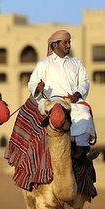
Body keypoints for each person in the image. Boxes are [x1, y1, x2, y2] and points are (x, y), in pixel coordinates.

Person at [27, 29, 99, 162]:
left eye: (69, 42)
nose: (68, 45)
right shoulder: (44, 64)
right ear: (55, 45)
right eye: (65, 42)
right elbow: (31, 83)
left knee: (84, 113)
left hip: (73, 101)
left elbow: (84, 82)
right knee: (59, 115)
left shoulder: (76, 63)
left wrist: (77, 94)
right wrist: (37, 87)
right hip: (51, 102)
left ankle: (81, 151)